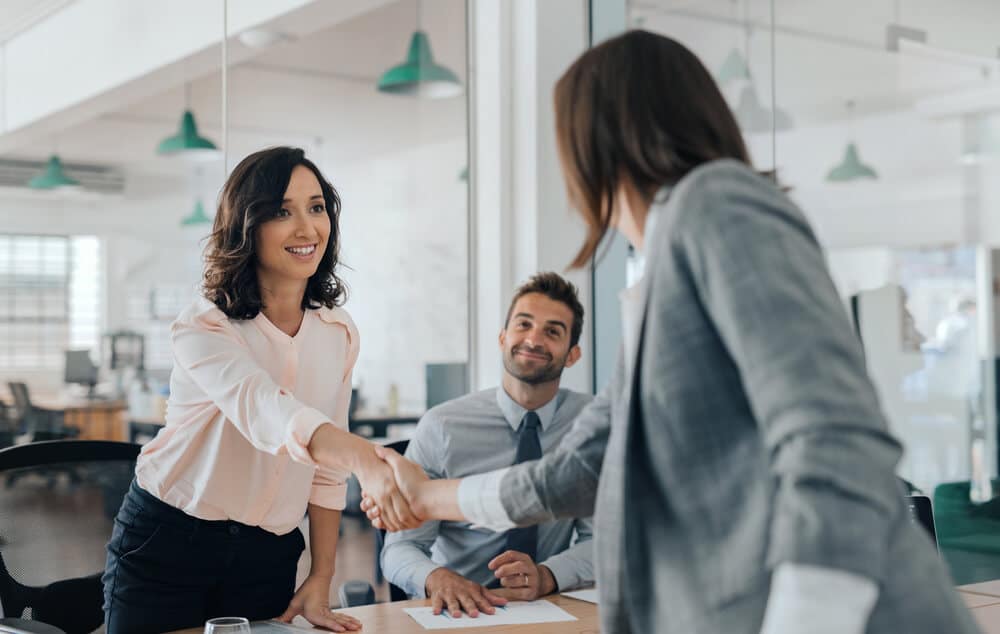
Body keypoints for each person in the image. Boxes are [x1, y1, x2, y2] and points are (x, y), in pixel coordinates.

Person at [363, 31, 980, 634]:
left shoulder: (717, 202)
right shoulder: (657, 279)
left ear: (595, 138)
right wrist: (429, 497)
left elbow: (833, 437)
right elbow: (580, 472)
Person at [102, 147, 417, 633]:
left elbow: (325, 472)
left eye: (316, 208)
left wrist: (322, 574)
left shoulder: (338, 333)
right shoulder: (205, 325)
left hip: (267, 553)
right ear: (247, 226)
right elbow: (265, 411)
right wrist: (367, 460)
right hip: (169, 540)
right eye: (282, 212)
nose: (307, 228)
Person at [381, 272, 595, 617]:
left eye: (552, 332)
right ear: (502, 337)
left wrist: (547, 575)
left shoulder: (591, 425)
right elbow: (400, 548)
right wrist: (437, 579)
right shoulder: (442, 427)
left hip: (547, 607)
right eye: (523, 324)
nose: (533, 339)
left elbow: (604, 539)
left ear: (572, 355)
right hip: (458, 613)